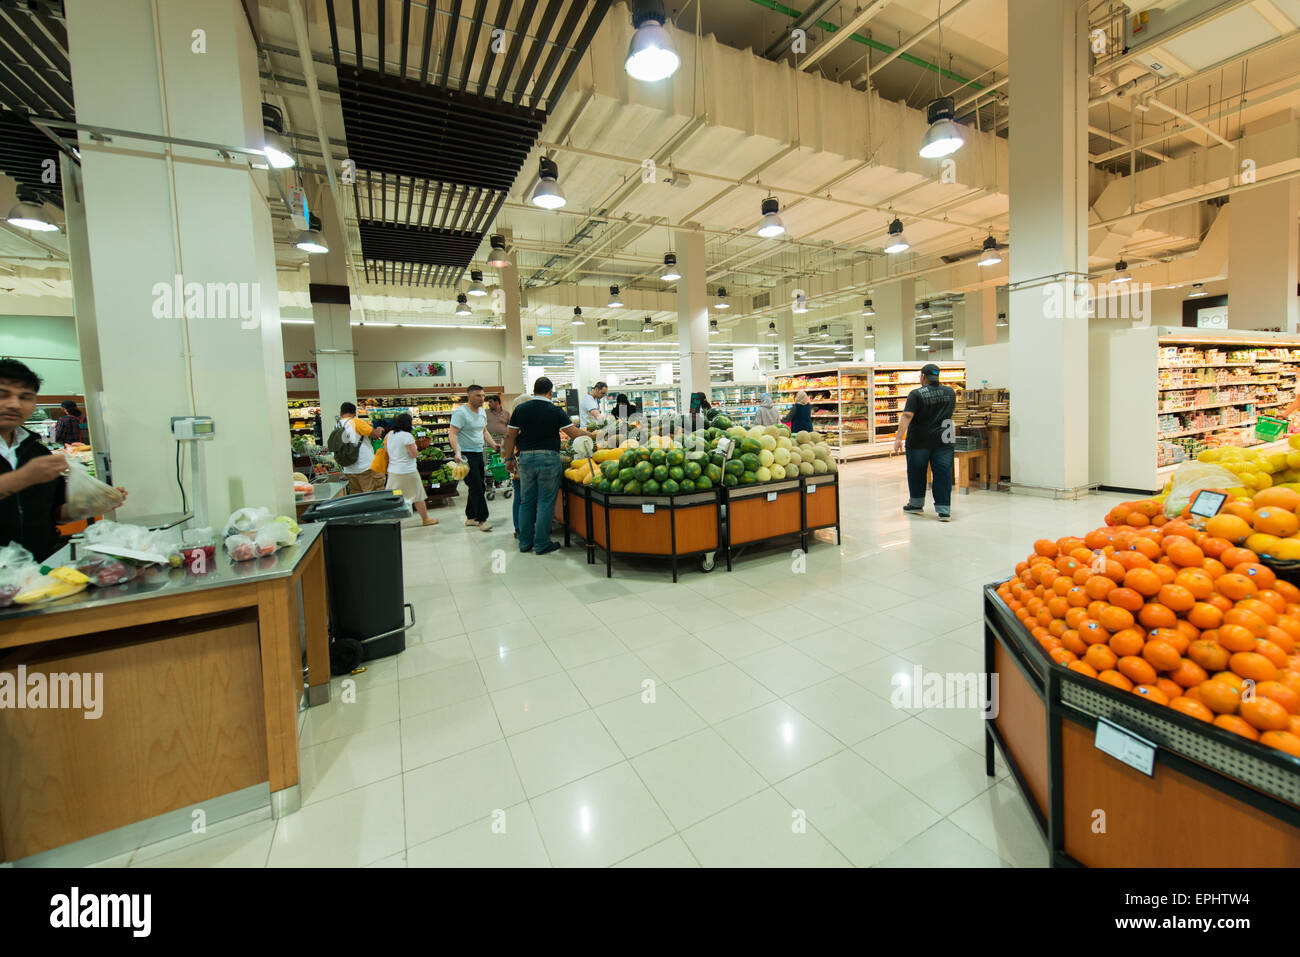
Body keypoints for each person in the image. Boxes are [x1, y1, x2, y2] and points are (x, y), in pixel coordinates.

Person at [0, 360, 127, 561]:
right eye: (3, 395)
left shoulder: (35, 450)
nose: (14, 404)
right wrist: (23, 478)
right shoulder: (34, 465)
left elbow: (55, 515)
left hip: (39, 567)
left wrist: (90, 504)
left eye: (25, 397)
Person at [502, 377, 591, 555]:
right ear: (550, 392)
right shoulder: (554, 410)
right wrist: (593, 434)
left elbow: (510, 436)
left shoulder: (520, 409)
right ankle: (541, 544)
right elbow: (573, 434)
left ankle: (524, 543)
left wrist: (508, 459)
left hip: (526, 459)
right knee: (545, 501)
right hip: (549, 459)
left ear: (534, 390)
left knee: (526, 501)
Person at [894, 363, 957, 522]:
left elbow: (907, 416)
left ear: (923, 376)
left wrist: (898, 438)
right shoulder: (950, 392)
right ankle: (944, 510)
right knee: (943, 473)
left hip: (919, 440)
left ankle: (916, 504)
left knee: (917, 472)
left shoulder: (916, 394)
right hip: (944, 439)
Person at [449, 384, 498, 531]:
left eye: (483, 396)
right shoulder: (461, 413)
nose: (482, 398)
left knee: (476, 486)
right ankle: (483, 519)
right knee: (477, 486)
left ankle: (470, 517)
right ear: (469, 396)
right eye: (478, 395)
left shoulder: (482, 412)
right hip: (466, 455)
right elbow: (452, 433)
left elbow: (484, 431)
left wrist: (494, 444)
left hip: (478, 453)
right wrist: (457, 452)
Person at [384, 413, 436, 527]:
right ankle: (426, 519)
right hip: (407, 471)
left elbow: (387, 451)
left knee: (394, 496)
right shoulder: (407, 436)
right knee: (418, 495)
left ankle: (391, 521)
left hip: (393, 471)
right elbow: (413, 454)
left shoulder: (389, 435)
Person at [336, 402, 385, 494]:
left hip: (348, 468)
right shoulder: (355, 422)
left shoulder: (337, 425)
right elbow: (375, 434)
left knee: (357, 495)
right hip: (364, 466)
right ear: (354, 413)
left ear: (340, 413)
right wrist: (380, 429)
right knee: (372, 494)